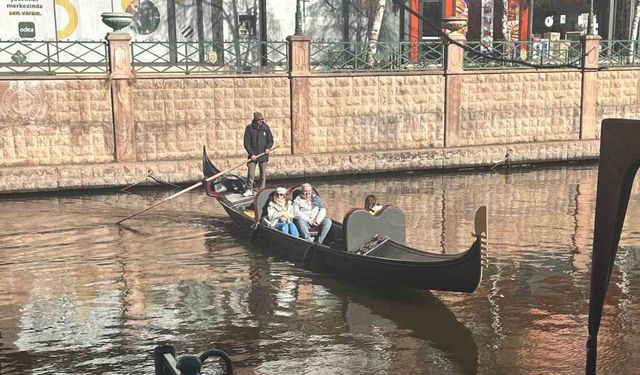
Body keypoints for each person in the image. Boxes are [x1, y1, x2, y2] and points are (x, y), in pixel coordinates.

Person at [243, 111, 274, 195]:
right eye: (259, 120)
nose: (261, 121)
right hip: (252, 156)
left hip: (263, 155)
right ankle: (249, 189)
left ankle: (261, 189)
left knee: (263, 173)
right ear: (255, 120)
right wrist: (251, 154)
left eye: (262, 119)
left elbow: (270, 140)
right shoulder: (249, 128)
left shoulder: (266, 128)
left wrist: (268, 148)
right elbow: (246, 143)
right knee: (251, 173)